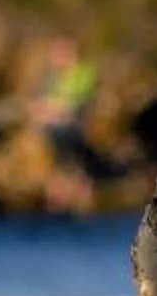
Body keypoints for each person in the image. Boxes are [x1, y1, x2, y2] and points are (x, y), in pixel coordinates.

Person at [29, 36, 107, 211]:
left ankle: (80, 193)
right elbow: (39, 103)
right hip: (54, 127)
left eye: (62, 51)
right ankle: (56, 198)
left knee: (70, 150)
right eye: (56, 52)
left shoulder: (84, 74)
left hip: (76, 128)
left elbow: (77, 106)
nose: (57, 56)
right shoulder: (52, 76)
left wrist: (53, 110)